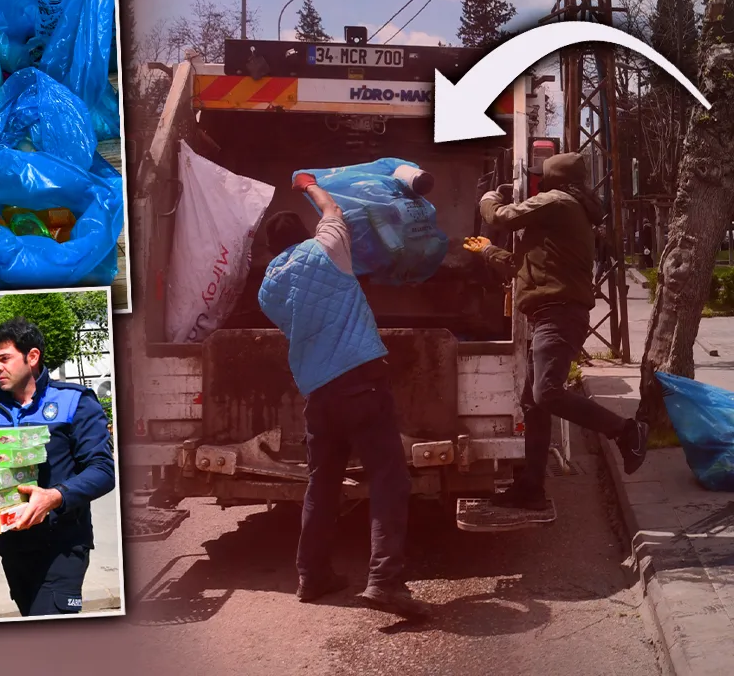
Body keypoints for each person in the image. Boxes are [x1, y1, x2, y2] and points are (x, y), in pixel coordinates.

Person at [256, 170, 430, 620]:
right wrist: (308, 184)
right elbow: (334, 213)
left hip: (319, 394)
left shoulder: (266, 290)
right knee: (389, 479)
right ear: (303, 234)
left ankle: (312, 576)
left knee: (323, 485)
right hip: (361, 382)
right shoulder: (327, 249)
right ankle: (385, 581)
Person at [465, 152, 650, 512]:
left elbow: (500, 216)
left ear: (554, 180)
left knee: (546, 393)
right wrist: (489, 252)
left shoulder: (558, 202)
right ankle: (531, 488)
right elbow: (527, 267)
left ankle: (627, 432)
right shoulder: (564, 212)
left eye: (540, 178)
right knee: (533, 403)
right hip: (552, 313)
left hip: (558, 314)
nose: (537, 184)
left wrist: (490, 196)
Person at [0, 317, 115, 617]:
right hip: (12, 546)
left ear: (33, 357)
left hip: (61, 546)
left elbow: (103, 470)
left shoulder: (74, 402)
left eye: (5, 358)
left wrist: (55, 496)